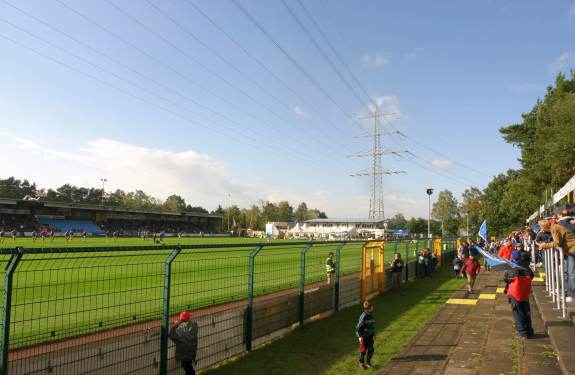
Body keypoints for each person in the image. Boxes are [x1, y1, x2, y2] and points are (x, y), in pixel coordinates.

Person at [539, 204, 575, 303]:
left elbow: (557, 242)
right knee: (563, 272)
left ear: (544, 227)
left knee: (570, 273)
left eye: (541, 227)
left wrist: (544, 246)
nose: (541, 230)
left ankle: (572, 295)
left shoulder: (554, 228)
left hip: (572, 249)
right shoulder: (554, 227)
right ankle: (566, 292)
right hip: (569, 250)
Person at [504, 252, 534, 338]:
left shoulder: (511, 268)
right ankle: (529, 330)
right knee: (526, 311)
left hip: (514, 293)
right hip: (525, 293)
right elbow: (532, 276)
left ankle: (522, 332)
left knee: (517, 313)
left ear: (513, 258)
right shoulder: (527, 268)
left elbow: (506, 278)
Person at [169, 311, 199, 375]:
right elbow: (194, 325)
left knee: (187, 366)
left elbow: (171, 334)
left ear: (180, 319)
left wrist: (176, 324)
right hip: (192, 350)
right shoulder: (194, 326)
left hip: (183, 352)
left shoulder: (178, 329)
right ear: (188, 319)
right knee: (188, 365)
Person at [356, 300, 376, 369]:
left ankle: (368, 362)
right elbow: (358, 327)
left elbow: (372, 326)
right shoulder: (363, 316)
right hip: (364, 337)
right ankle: (361, 363)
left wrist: (373, 334)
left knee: (371, 349)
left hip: (370, 336)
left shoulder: (371, 315)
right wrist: (360, 336)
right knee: (363, 350)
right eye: (372, 306)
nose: (373, 307)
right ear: (369, 308)